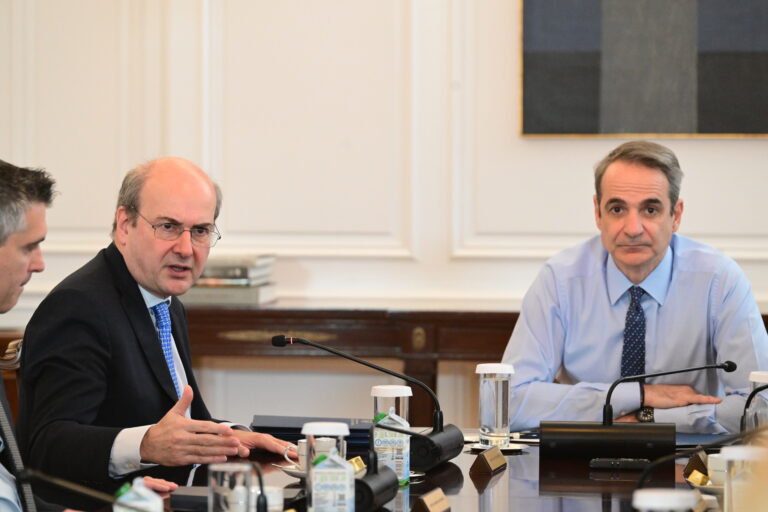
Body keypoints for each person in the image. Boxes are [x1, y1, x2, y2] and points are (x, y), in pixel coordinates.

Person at [17, 158, 293, 509]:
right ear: (124, 225)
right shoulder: (79, 306)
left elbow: (179, 424)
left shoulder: (165, 303)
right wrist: (144, 444)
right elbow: (47, 446)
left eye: (200, 231)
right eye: (168, 226)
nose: (186, 248)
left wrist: (233, 438)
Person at [502, 141, 768, 434]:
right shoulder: (561, 280)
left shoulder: (719, 281)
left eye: (650, 210)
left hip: (690, 456)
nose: (632, 229)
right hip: (582, 455)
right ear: (598, 212)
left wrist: (648, 419)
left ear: (676, 215)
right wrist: (638, 395)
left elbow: (760, 405)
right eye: (617, 209)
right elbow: (509, 402)